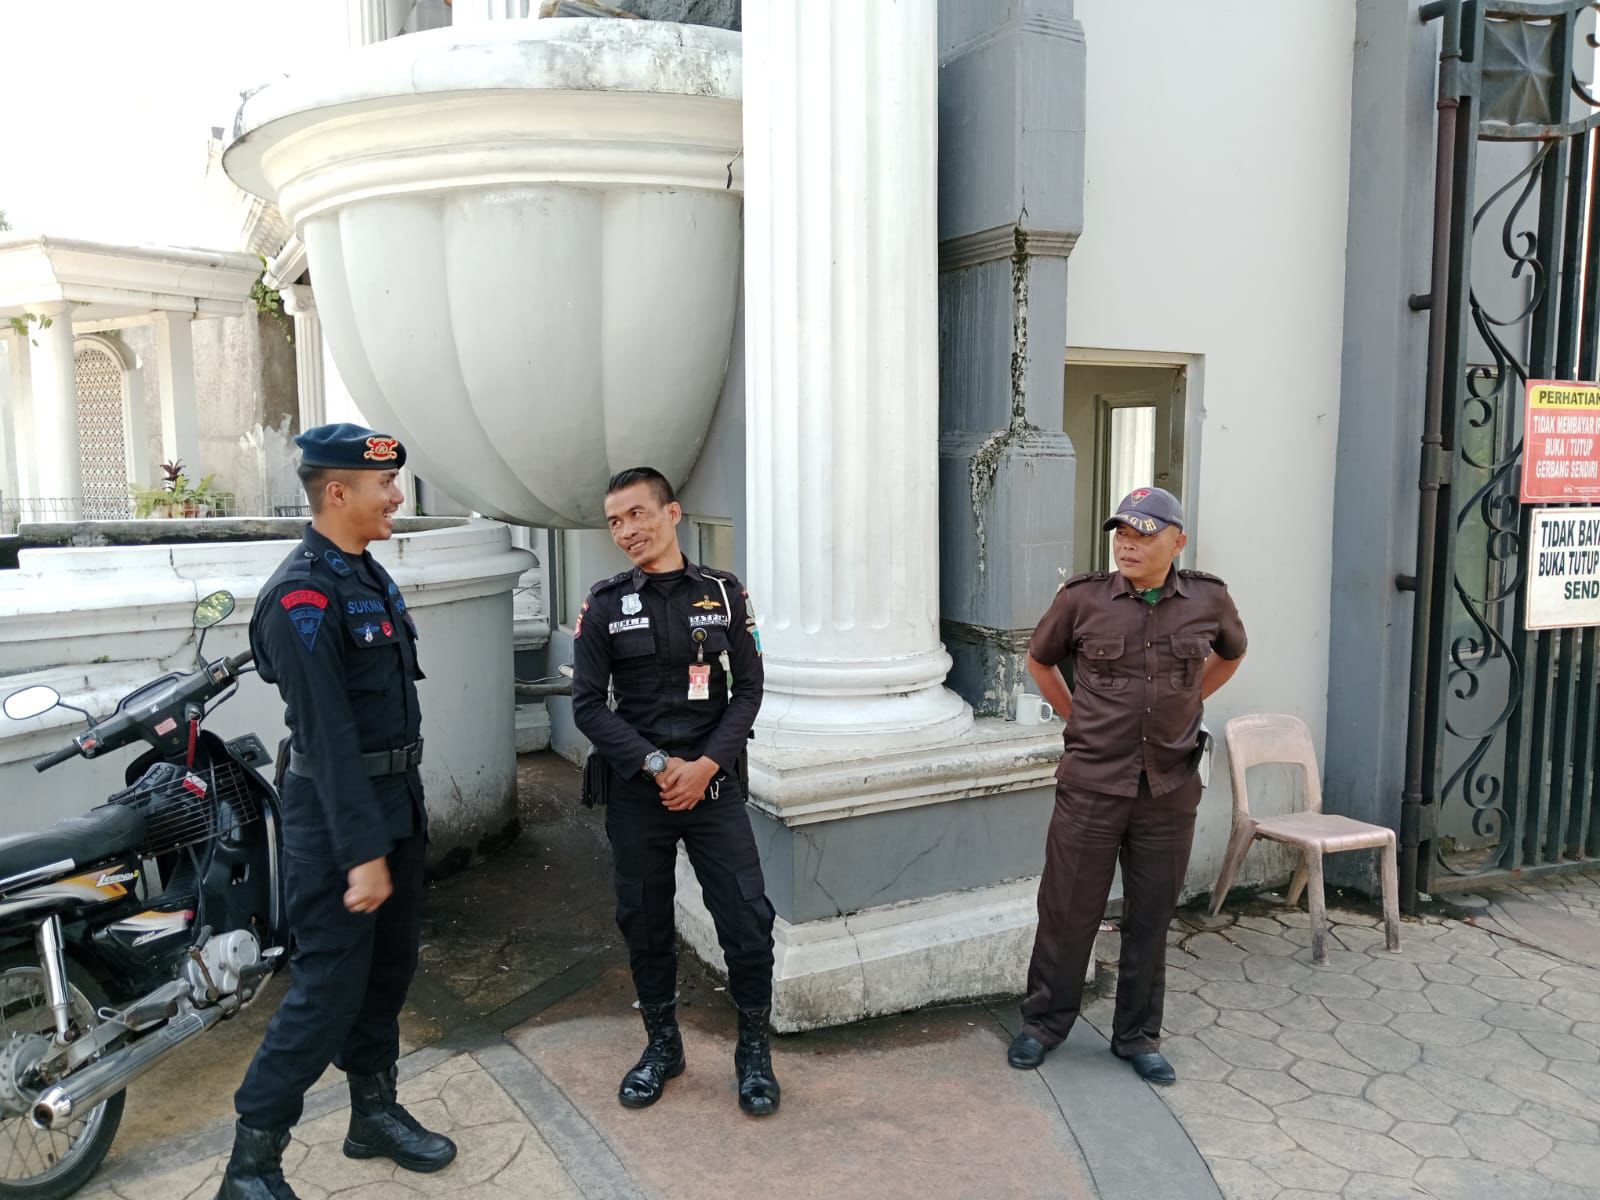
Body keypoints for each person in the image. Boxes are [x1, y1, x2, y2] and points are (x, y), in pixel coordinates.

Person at [218, 423, 455, 1200]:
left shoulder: (365, 575)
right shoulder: (301, 596)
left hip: (394, 804)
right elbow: (326, 733)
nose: (396, 497)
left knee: (386, 975)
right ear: (338, 492)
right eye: (384, 485)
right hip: (335, 821)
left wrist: (390, 833)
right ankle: (251, 1166)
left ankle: (372, 1116)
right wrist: (362, 852)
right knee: (326, 994)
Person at [1007, 486, 1246, 1085]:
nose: (1127, 545)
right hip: (1092, 782)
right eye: (1122, 533)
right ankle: (1043, 1025)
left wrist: (1191, 699)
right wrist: (1077, 717)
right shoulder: (1082, 599)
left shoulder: (1209, 600)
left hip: (1169, 786)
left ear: (1177, 541)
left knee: (1151, 916)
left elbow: (1232, 654)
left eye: (1143, 534)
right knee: (1067, 911)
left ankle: (1137, 1035)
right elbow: (1039, 660)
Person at [570, 466, 780, 1116]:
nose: (626, 530)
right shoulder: (605, 604)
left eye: (636, 514)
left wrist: (707, 765)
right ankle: (663, 1046)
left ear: (671, 513)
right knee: (644, 920)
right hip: (641, 792)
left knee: (747, 920)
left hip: (712, 788)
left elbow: (749, 689)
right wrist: (658, 765)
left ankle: (753, 1053)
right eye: (615, 521)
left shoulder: (723, 594)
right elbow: (587, 705)